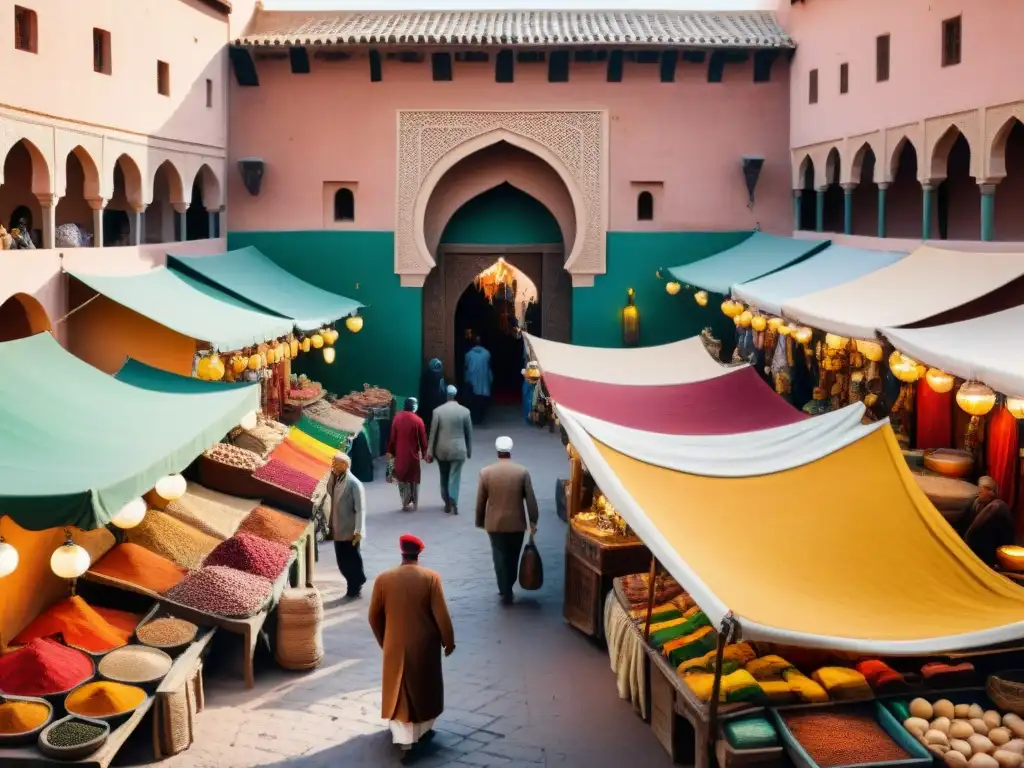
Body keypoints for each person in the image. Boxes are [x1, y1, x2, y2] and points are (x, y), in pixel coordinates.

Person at [369, 534, 455, 756]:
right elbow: (442, 616)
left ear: (401, 552)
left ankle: (405, 741)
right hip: (425, 648)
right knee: (424, 691)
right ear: (419, 554)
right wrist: (448, 641)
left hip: (395, 647)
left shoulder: (383, 579)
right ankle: (422, 731)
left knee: (400, 698)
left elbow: (373, 617)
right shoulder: (431, 578)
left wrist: (385, 640)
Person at [475, 436, 539, 604]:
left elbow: (481, 500)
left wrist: (480, 520)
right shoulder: (522, 472)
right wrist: (533, 520)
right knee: (513, 555)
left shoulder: (486, 472)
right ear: (510, 451)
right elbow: (530, 499)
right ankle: (509, 583)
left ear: (497, 451)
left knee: (498, 555)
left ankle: (504, 587)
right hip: (516, 523)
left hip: (494, 523)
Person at [427, 385, 472, 515]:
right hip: (459, 450)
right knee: (455, 476)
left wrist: (429, 452)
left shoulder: (438, 411)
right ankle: (453, 499)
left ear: (446, 395)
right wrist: (469, 450)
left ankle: (446, 501)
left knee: (444, 475)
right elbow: (469, 433)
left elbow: (433, 433)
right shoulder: (465, 411)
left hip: (441, 450)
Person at [327, 452, 367, 597]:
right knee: (342, 561)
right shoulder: (336, 480)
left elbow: (360, 509)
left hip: (350, 530)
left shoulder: (354, 483)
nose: (334, 466)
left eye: (336, 463)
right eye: (333, 463)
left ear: (345, 465)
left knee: (352, 559)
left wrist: (358, 531)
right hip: (339, 528)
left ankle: (356, 584)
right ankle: (355, 582)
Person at [962, 476, 1016, 567]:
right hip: (976, 550)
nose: (978, 492)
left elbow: (974, 530)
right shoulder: (976, 504)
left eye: (981, 489)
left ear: (990, 492)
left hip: (994, 553)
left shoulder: (998, 507)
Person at [386, 397, 428, 512]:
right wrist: (425, 454)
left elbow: (392, 439)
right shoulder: (418, 420)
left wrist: (390, 452)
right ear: (414, 406)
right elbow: (423, 441)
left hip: (400, 455)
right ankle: (414, 503)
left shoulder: (397, 418)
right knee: (414, 479)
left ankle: (405, 502)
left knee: (402, 479)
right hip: (413, 456)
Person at [463, 336, 493, 425]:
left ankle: (474, 418)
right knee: (481, 400)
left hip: (472, 380)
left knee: (473, 400)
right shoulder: (487, 353)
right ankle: (480, 418)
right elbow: (489, 366)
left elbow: (466, 366)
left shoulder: (468, 354)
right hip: (484, 380)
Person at [417, 358, 446, 437]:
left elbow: (421, 390)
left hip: (426, 404)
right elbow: (443, 391)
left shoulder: (424, 375)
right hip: (437, 404)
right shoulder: (440, 377)